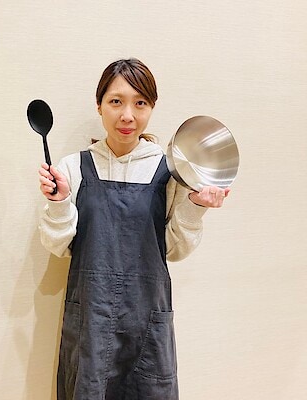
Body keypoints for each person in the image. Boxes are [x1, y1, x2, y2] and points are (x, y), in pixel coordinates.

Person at [38, 58, 229, 400]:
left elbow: (174, 250)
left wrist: (195, 206)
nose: (128, 115)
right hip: (91, 321)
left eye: (140, 103)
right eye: (116, 101)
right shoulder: (73, 167)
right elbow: (58, 245)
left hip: (147, 324)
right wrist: (59, 202)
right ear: (99, 105)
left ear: (152, 107)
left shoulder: (170, 170)